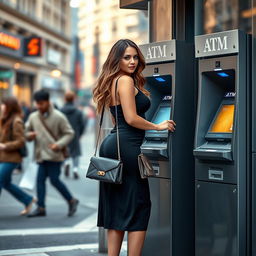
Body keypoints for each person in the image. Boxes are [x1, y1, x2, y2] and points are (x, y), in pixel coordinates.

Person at [93, 39, 176, 256]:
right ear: (117, 59)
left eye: (135, 57)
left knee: (118, 206)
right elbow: (131, 118)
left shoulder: (110, 81)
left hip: (112, 144)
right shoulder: (126, 81)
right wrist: (157, 126)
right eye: (126, 57)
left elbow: (118, 117)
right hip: (128, 145)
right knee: (139, 204)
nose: (132, 61)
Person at [25, 89, 79, 217]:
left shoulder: (59, 116)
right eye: (37, 103)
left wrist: (59, 144)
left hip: (55, 155)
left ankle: (72, 200)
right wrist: (29, 135)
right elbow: (25, 132)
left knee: (54, 180)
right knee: (40, 181)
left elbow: (69, 133)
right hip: (40, 155)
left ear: (48, 102)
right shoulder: (33, 117)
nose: (39, 106)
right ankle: (41, 208)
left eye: (41, 103)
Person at [0, 96, 36, 216]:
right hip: (3, 157)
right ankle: (28, 200)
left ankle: (28, 200)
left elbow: (20, 141)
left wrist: (5, 146)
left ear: (9, 107)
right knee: (5, 183)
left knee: (1, 181)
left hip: (12, 158)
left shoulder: (16, 121)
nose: (2, 106)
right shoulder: (5, 119)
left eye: (3, 104)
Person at [61, 91, 86, 179]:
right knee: (76, 153)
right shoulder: (78, 112)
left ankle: (66, 163)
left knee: (65, 150)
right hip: (75, 134)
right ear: (73, 99)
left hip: (63, 135)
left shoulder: (60, 111)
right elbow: (82, 125)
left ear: (65, 99)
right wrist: (80, 134)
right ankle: (75, 169)